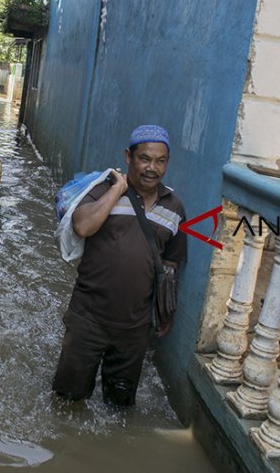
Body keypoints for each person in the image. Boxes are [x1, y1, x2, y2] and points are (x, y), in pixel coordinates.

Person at [52, 125, 187, 407]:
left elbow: (171, 262)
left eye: (160, 161)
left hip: (134, 329)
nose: (152, 168)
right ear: (128, 157)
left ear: (168, 162)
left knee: (119, 406)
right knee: (67, 401)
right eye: (145, 159)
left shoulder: (174, 208)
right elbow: (83, 226)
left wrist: (167, 307)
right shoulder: (103, 192)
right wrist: (117, 190)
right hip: (88, 318)